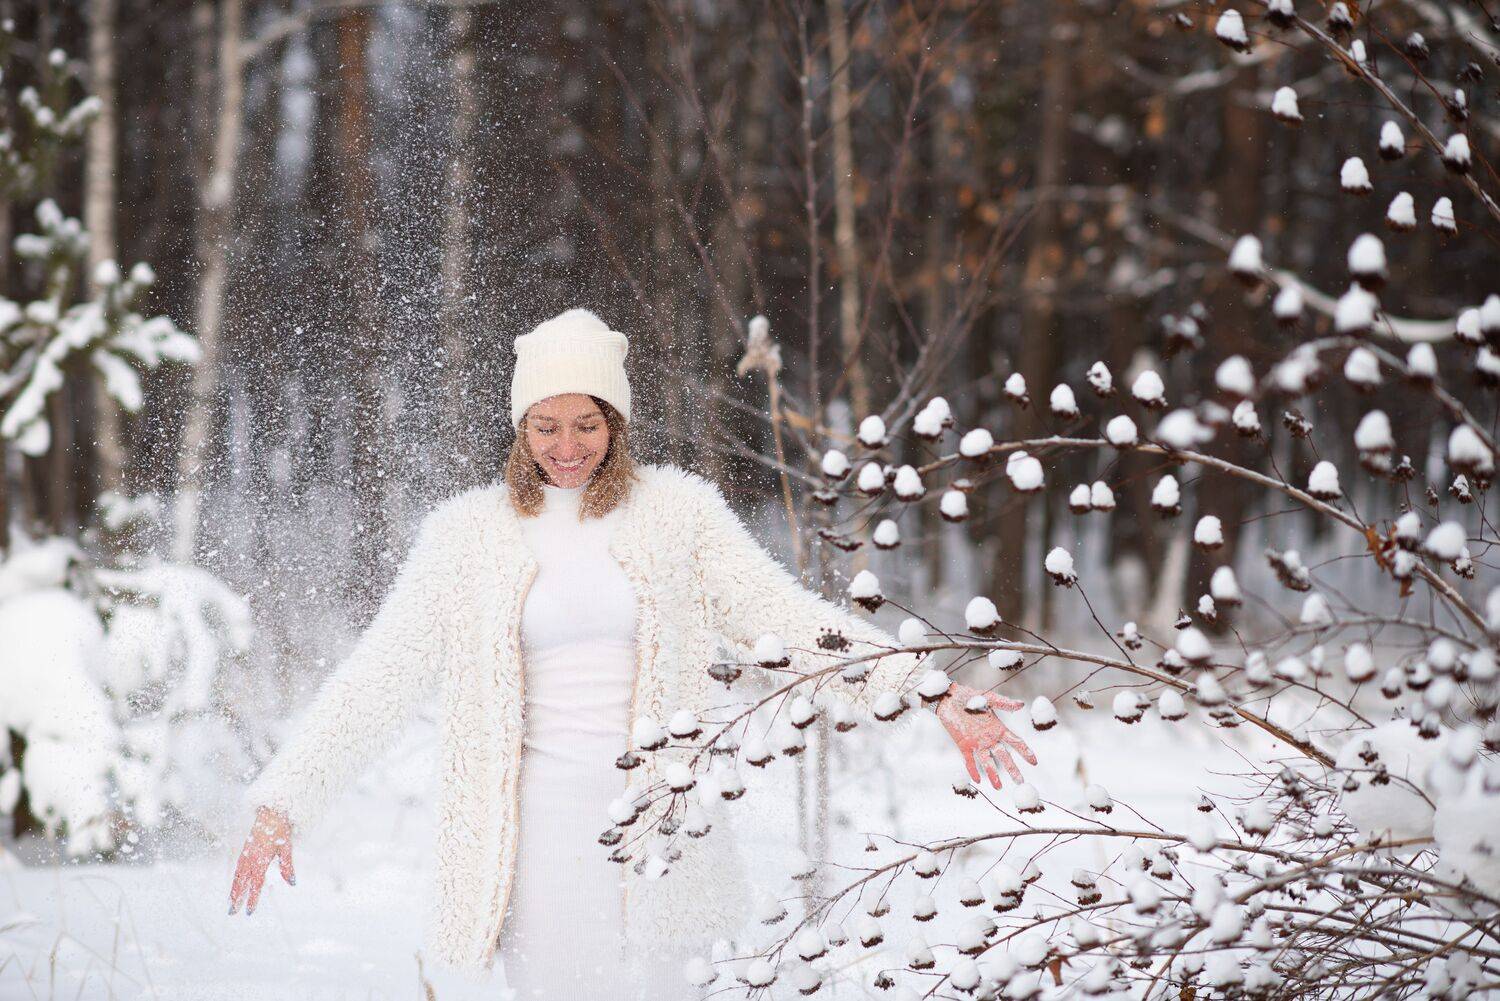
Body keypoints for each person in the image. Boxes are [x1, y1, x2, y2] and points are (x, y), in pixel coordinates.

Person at [227, 308, 1038, 995]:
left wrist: (927, 689)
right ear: (520, 425)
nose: (567, 446)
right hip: (535, 843)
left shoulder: (678, 515)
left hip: (665, 835)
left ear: (616, 423)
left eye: (587, 424)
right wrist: (284, 800)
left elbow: (785, 620)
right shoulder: (465, 536)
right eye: (546, 425)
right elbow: (380, 675)